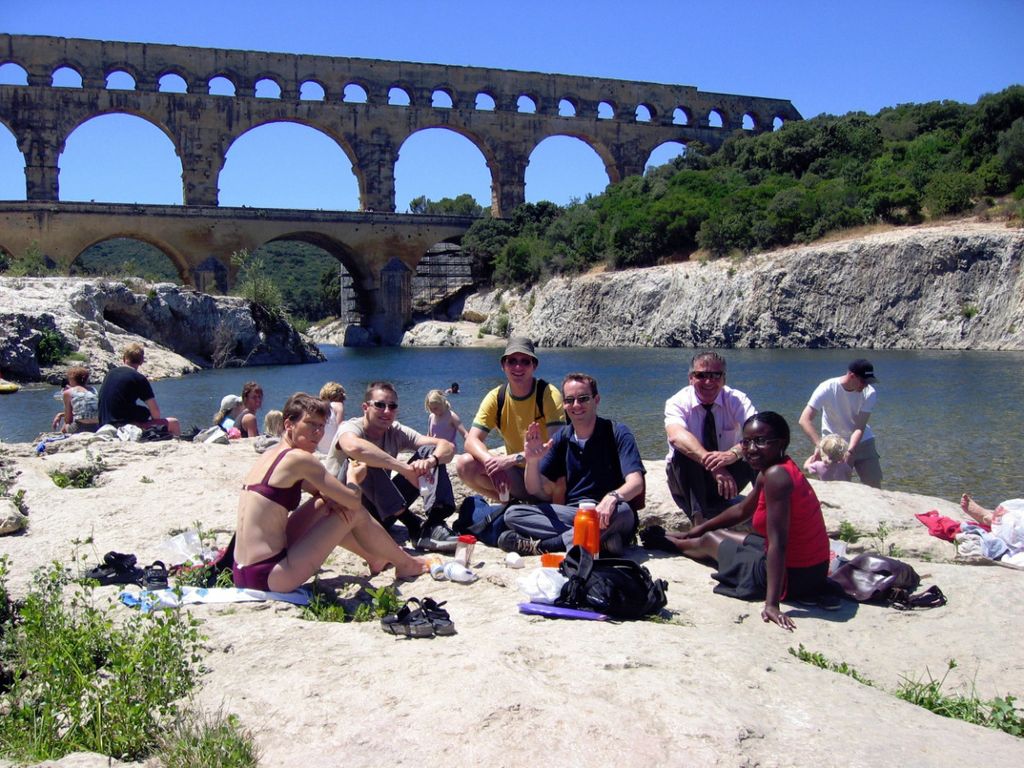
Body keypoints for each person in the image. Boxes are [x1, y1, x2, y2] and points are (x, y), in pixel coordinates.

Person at [642, 412, 833, 630]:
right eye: (746, 441)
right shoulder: (775, 468)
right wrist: (697, 528)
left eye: (760, 441)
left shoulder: (776, 477)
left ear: (781, 443)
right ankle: (686, 536)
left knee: (711, 540)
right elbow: (742, 510)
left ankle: (672, 543)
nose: (751, 449)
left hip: (795, 577)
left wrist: (772, 605)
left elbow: (778, 543)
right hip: (810, 569)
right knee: (724, 534)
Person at [233, 392, 430, 592]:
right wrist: (354, 478)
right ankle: (406, 564)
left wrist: (332, 499)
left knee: (325, 504)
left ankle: (375, 558)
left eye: (321, 426)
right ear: (288, 425)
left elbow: (323, 495)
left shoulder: (271, 454)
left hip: (242, 571)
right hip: (269, 576)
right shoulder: (299, 459)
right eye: (311, 424)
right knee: (353, 512)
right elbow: (353, 501)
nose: (318, 433)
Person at [499, 373, 645, 557]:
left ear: (596, 400)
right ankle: (601, 541)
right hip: (575, 513)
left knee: (623, 511)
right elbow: (534, 489)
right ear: (564, 404)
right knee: (514, 514)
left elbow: (636, 483)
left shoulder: (618, 433)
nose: (576, 405)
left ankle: (547, 545)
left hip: (611, 512)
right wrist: (532, 461)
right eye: (569, 400)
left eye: (583, 398)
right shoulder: (562, 437)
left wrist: (613, 497)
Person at [326, 381, 458, 551]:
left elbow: (446, 446)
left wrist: (431, 460)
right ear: (365, 407)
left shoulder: (395, 431)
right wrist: (403, 469)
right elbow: (354, 447)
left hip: (383, 513)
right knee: (361, 461)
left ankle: (433, 523)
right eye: (380, 405)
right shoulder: (350, 427)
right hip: (348, 512)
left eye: (392, 406)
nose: (387, 411)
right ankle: (413, 523)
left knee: (429, 451)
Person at [456, 337, 564, 502]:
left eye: (525, 362)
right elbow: (471, 440)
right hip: (516, 474)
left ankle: (550, 510)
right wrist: (491, 462)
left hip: (544, 473)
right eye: (512, 361)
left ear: (534, 366)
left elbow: (556, 445)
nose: (518, 367)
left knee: (548, 480)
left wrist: (511, 459)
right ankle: (509, 504)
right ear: (503, 366)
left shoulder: (548, 394)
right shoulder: (496, 397)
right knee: (465, 464)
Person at [664, 351, 756, 524]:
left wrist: (733, 454)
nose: (709, 381)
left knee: (758, 453)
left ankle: (771, 509)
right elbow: (676, 436)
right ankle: (699, 521)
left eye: (715, 375)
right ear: (690, 378)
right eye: (701, 375)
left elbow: (760, 434)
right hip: (688, 480)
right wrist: (713, 465)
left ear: (724, 379)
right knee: (683, 453)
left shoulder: (737, 400)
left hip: (728, 480)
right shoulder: (677, 402)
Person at [798, 359, 881, 488]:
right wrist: (821, 446)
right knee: (837, 487)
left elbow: (859, 426)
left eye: (869, 382)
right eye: (863, 381)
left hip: (863, 441)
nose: (866, 385)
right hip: (834, 447)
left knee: (874, 485)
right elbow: (804, 419)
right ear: (852, 376)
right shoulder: (827, 387)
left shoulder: (870, 393)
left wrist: (850, 451)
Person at [97, 343, 181, 436]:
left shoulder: (109, 374)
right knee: (174, 423)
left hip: (104, 423)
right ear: (141, 361)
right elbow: (155, 412)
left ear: (124, 358)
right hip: (122, 426)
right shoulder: (138, 378)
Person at [51, 365, 99, 433]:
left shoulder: (68, 393)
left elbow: (68, 419)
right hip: (97, 427)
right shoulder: (93, 390)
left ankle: (61, 434)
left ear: (71, 379)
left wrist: (61, 416)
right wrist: (61, 415)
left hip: (79, 428)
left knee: (66, 424)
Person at [316, 381, 347, 454]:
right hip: (332, 450)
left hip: (320, 449)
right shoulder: (338, 406)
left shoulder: (320, 407)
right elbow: (340, 431)